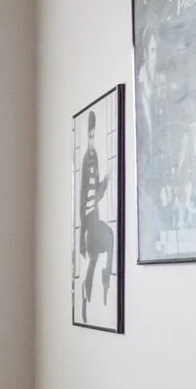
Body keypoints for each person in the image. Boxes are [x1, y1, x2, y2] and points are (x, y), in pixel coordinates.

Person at [78, 110, 112, 312]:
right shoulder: (87, 160)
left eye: (93, 134)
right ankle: (87, 290)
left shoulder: (94, 157)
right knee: (94, 258)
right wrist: (83, 233)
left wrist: (105, 181)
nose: (92, 138)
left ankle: (95, 285)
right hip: (89, 220)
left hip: (94, 218)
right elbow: (89, 196)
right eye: (90, 135)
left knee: (99, 254)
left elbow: (96, 192)